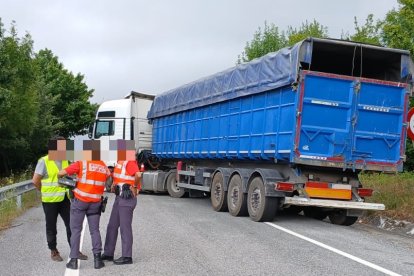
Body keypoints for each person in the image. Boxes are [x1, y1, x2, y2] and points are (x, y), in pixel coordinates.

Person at [32, 139, 88, 262]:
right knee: (51, 226)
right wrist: (44, 191)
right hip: (50, 200)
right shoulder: (44, 161)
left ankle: (75, 250)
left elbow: (68, 176)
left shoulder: (65, 160)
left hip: (64, 199)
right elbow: (35, 180)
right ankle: (53, 251)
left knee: (71, 225)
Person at [58, 159, 111, 270]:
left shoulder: (81, 164)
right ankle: (98, 260)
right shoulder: (103, 165)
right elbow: (108, 179)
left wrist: (74, 177)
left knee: (76, 230)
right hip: (96, 202)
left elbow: (60, 173)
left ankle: (73, 261)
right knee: (95, 230)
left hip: (80, 202)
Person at [101, 160, 141, 265]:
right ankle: (108, 253)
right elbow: (119, 176)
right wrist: (114, 183)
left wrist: (135, 187)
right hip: (119, 197)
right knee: (112, 226)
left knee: (125, 227)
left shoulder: (129, 161)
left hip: (127, 198)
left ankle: (127, 256)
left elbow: (138, 174)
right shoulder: (120, 162)